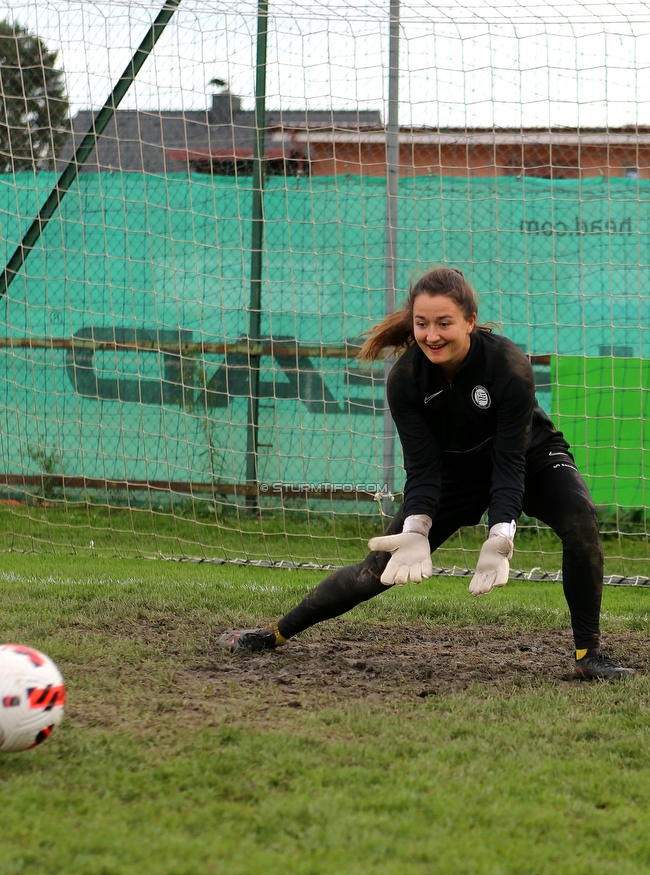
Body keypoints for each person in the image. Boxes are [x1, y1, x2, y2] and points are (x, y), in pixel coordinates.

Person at [219, 267, 633, 679]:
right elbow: (422, 468)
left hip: (533, 459)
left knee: (581, 523)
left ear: (470, 322)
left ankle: (587, 657)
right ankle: (273, 634)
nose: (432, 335)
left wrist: (500, 533)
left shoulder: (508, 365)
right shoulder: (405, 380)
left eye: (444, 323)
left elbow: (511, 463)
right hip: (454, 476)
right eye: (422, 324)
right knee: (373, 573)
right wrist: (417, 530)